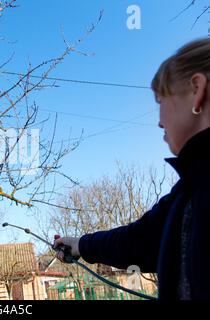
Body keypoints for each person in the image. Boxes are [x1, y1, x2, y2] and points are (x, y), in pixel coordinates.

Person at [53, 38, 210, 300]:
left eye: (161, 100)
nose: (159, 121)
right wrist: (80, 244)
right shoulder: (188, 192)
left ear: (197, 90)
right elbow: (139, 241)